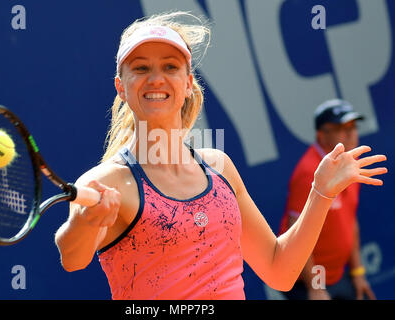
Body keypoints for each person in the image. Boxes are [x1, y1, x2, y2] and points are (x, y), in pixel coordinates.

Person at [54, 12, 387, 300]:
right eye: (140, 68)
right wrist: (85, 220)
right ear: (121, 86)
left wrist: (321, 193)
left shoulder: (219, 167)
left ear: (187, 83)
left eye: (170, 66)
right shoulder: (103, 182)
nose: (156, 78)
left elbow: (279, 271)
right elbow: (72, 257)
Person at [278, 99, 377, 300]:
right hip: (305, 281)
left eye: (352, 126)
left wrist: (357, 272)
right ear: (321, 135)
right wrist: (315, 288)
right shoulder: (309, 172)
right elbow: (296, 233)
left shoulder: (349, 163)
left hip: (338, 275)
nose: (350, 133)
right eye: (341, 128)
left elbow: (350, 221)